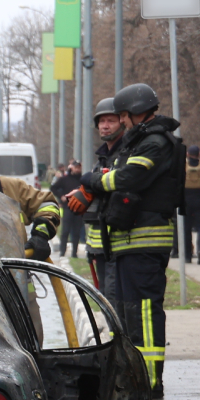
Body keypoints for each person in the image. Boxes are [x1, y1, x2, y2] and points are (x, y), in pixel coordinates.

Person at [66, 83, 185, 399]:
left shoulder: (156, 143)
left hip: (143, 244)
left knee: (143, 313)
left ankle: (148, 382)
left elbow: (128, 178)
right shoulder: (144, 142)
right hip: (125, 246)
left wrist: (90, 182)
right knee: (127, 315)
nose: (117, 122)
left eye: (120, 116)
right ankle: (134, 379)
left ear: (134, 113)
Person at [83, 97, 124, 297]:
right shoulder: (102, 158)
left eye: (110, 121)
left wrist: (92, 182)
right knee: (105, 298)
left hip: (118, 244)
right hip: (98, 245)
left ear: (122, 123)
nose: (105, 126)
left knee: (115, 299)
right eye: (101, 121)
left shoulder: (126, 155)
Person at [50, 159, 83, 258]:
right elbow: (53, 188)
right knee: (65, 231)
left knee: (76, 232)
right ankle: (62, 252)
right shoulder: (65, 179)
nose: (78, 170)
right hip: (68, 208)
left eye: (79, 168)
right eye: (76, 167)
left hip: (79, 209)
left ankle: (74, 253)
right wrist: (61, 196)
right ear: (71, 168)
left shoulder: (82, 179)